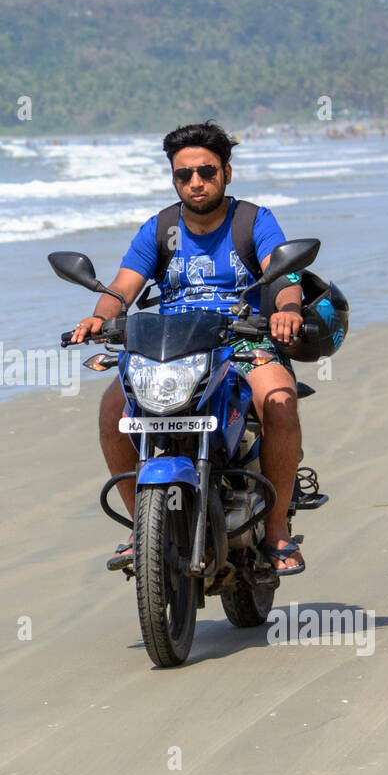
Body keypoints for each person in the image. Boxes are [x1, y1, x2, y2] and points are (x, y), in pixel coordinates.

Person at [69, 121, 306, 575]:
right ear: (173, 178)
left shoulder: (253, 220)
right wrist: (101, 316)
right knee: (112, 410)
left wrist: (286, 309)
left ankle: (276, 531)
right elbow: (123, 286)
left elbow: (283, 274)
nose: (195, 182)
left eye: (206, 171)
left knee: (279, 403)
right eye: (184, 175)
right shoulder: (160, 228)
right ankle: (143, 527)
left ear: (227, 173)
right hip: (171, 350)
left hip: (244, 338)